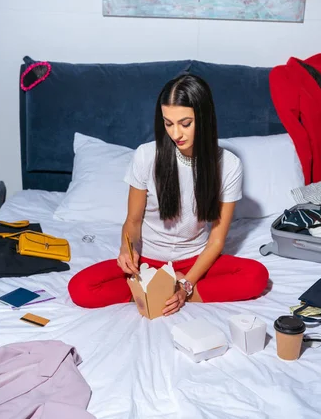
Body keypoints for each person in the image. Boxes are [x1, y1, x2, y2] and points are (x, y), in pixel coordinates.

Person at [68, 74, 269, 315]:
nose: (176, 134)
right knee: (80, 288)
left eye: (185, 123)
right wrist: (127, 250)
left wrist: (186, 285)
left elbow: (216, 241)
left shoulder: (229, 165)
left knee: (256, 276)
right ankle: (151, 291)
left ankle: (157, 295)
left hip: (195, 261)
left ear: (204, 119)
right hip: (147, 263)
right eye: (168, 123)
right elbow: (132, 221)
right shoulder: (146, 155)